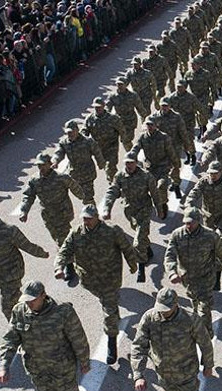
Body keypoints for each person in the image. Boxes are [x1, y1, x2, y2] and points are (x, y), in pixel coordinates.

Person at [55, 205, 137, 365]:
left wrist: (133, 264)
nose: (86, 221)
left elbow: (126, 248)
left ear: (97, 217)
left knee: (108, 311)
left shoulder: (112, 231)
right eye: (84, 218)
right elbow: (64, 251)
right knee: (108, 304)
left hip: (109, 279)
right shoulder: (76, 233)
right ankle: (113, 312)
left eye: (89, 218)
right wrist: (59, 266)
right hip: (89, 281)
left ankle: (112, 344)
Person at [164, 207, 222, 337]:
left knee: (204, 309)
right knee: (194, 304)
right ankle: (197, 323)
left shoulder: (210, 235)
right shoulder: (177, 235)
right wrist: (172, 272)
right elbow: (170, 255)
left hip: (205, 278)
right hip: (188, 280)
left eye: (191, 222)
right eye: (186, 222)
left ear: (198, 221)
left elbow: (221, 252)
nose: (188, 225)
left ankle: (207, 335)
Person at [102, 154, 162, 283]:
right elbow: (112, 191)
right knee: (140, 234)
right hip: (130, 212)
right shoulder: (120, 176)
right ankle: (148, 250)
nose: (129, 165)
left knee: (138, 242)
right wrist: (107, 208)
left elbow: (155, 193)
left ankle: (141, 269)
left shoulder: (146, 176)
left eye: (131, 162)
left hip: (144, 210)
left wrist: (159, 208)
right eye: (127, 163)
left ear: (136, 163)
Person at [19, 152, 87, 253]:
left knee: (63, 237)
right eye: (39, 165)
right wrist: (24, 211)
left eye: (43, 165)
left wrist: (82, 197)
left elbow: (74, 186)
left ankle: (69, 263)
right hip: (48, 215)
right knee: (56, 236)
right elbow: (28, 196)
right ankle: (74, 250)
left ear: (50, 164)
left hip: (62, 212)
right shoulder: (35, 180)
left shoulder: (61, 177)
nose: (41, 168)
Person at [185, 161, 222, 241]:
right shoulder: (204, 182)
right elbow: (194, 193)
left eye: (215, 173)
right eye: (211, 173)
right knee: (208, 237)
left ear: (221, 172)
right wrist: (189, 204)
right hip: (209, 216)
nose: (212, 176)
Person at [54, 119, 105, 204]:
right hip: (74, 175)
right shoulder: (64, 143)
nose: (70, 134)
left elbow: (97, 152)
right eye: (68, 133)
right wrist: (55, 161)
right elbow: (59, 153)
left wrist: (101, 163)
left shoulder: (87, 141)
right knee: (80, 195)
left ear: (77, 130)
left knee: (88, 197)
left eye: (72, 132)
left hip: (87, 173)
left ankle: (91, 214)